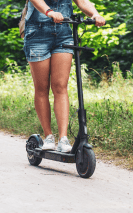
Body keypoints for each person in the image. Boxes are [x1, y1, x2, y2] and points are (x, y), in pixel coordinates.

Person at [24, 0, 105, 152]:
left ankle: (63, 138)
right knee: (42, 88)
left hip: (63, 34)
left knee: (60, 86)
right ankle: (48, 136)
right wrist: (49, 12)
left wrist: (95, 14)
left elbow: (82, 2)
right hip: (37, 33)